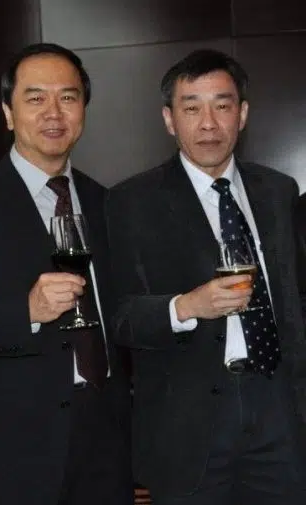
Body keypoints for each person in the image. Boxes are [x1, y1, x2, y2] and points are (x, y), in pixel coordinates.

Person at [0, 42, 133, 505]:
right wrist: (27, 312)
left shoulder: (107, 203)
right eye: (36, 98)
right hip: (14, 454)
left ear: (83, 110)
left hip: (106, 447)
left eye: (68, 97)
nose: (54, 112)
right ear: (8, 113)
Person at [107, 48, 306, 505]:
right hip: (189, 422)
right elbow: (120, 317)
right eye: (192, 108)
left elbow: (295, 296)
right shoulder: (132, 201)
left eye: (222, 105)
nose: (209, 124)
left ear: (243, 114)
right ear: (169, 119)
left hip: (278, 409)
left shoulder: (278, 190)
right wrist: (186, 306)